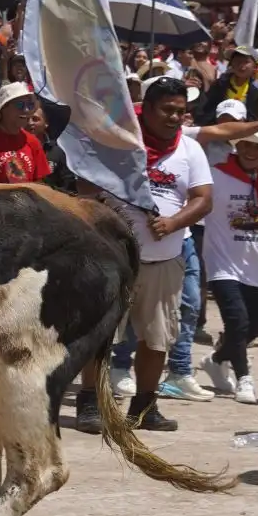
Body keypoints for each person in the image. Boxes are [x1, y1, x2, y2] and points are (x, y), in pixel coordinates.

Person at [77, 76, 212, 435]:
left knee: (156, 338)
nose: (175, 117)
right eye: (168, 110)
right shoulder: (119, 143)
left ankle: (144, 406)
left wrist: (173, 222)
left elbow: (202, 198)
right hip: (113, 259)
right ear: (146, 110)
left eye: (181, 112)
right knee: (101, 335)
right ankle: (90, 402)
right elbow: (86, 189)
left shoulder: (190, 150)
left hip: (164, 261)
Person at [201, 129, 258, 403]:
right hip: (222, 264)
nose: (251, 152)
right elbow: (195, 203)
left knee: (254, 326)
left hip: (257, 267)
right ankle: (244, 378)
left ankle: (216, 359)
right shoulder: (216, 176)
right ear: (237, 146)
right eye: (246, 145)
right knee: (237, 322)